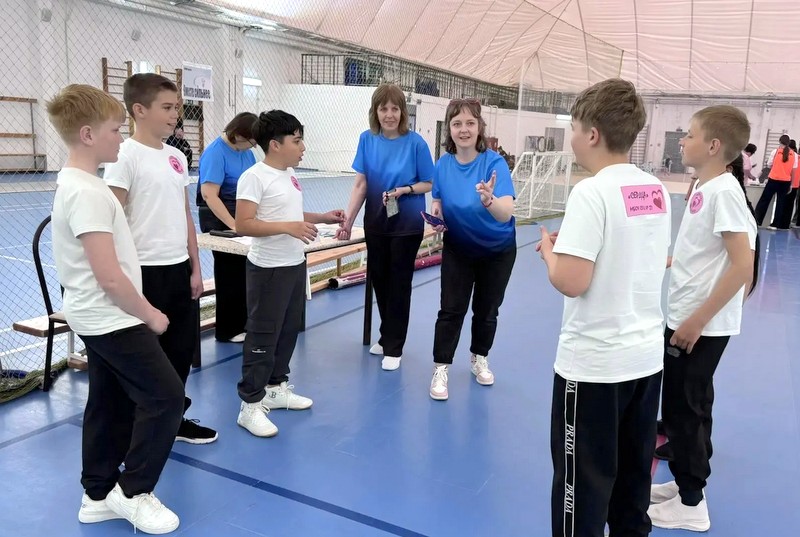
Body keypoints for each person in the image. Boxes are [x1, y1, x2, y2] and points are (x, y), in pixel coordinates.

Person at [537, 78, 671, 537]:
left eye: (574, 128)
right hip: (644, 361)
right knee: (632, 485)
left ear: (592, 134)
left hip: (595, 367)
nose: (571, 137)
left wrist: (551, 253)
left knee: (582, 491)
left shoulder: (591, 192)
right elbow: (635, 253)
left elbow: (572, 281)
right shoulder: (653, 189)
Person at [47, 84, 183, 533]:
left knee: (109, 402)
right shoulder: (86, 192)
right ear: (88, 135)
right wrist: (150, 314)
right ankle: (133, 491)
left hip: (98, 315)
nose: (121, 139)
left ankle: (97, 493)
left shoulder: (83, 184)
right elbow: (108, 276)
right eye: (114, 130)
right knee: (165, 397)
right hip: (110, 317)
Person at [648, 105, 758, 532]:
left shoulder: (724, 192)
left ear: (713, 146)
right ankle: (685, 485)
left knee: (684, 410)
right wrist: (676, 260)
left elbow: (742, 265)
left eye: (690, 134)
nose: (682, 140)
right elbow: (708, 251)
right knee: (690, 403)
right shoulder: (707, 187)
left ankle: (692, 503)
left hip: (698, 325)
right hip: (688, 315)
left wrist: (697, 322)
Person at [105, 73, 216, 444]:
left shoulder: (176, 156)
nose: (175, 115)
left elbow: (184, 213)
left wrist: (195, 266)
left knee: (179, 350)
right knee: (144, 356)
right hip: (142, 272)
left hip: (177, 269)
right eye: (167, 107)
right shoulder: (124, 156)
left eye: (176, 107)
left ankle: (173, 420)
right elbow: (112, 219)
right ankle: (135, 429)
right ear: (139, 110)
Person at [234, 110, 345, 437]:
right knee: (263, 334)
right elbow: (244, 224)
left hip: (294, 264)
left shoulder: (290, 174)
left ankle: (275, 388)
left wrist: (321, 217)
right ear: (275, 144)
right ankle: (250, 405)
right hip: (268, 270)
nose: (303, 147)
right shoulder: (254, 177)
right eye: (297, 141)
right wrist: (289, 227)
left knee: (288, 330)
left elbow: (290, 213)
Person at [336, 83, 435, 371]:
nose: (389, 114)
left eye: (395, 109)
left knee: (399, 284)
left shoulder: (416, 143)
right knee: (379, 280)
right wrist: (348, 221)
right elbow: (361, 184)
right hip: (376, 223)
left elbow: (429, 182)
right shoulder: (367, 140)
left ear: (403, 112)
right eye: (383, 109)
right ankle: (386, 334)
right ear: (375, 112)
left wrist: (406, 189)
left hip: (407, 225)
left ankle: (394, 346)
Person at [427, 98, 516, 401]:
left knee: (487, 310)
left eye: (470, 123)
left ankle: (479, 357)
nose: (463, 129)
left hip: (497, 250)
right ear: (449, 130)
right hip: (459, 248)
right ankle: (441, 367)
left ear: (479, 128)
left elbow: (506, 213)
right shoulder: (443, 165)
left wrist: (489, 200)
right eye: (457, 124)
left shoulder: (494, 164)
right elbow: (438, 199)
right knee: (451, 309)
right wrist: (436, 212)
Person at [197, 112, 258, 342]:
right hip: (219, 216)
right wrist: (234, 224)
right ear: (239, 135)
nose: (253, 146)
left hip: (241, 212)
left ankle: (245, 322)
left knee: (246, 271)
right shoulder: (215, 153)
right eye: (251, 141)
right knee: (229, 272)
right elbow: (209, 195)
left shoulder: (246, 153)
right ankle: (228, 329)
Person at [754, 134, 796, 228]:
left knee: (764, 201)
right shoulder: (793, 154)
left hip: (773, 179)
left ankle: (758, 221)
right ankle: (775, 224)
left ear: (780, 141)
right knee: (780, 203)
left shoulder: (775, 151)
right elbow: (793, 170)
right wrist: (791, 184)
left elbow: (769, 164)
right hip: (786, 182)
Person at [775, 139, 800, 229]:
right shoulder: (796, 156)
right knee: (790, 205)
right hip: (795, 184)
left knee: (782, 203)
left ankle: (779, 223)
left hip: (787, 182)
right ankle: (785, 225)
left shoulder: (790, 156)